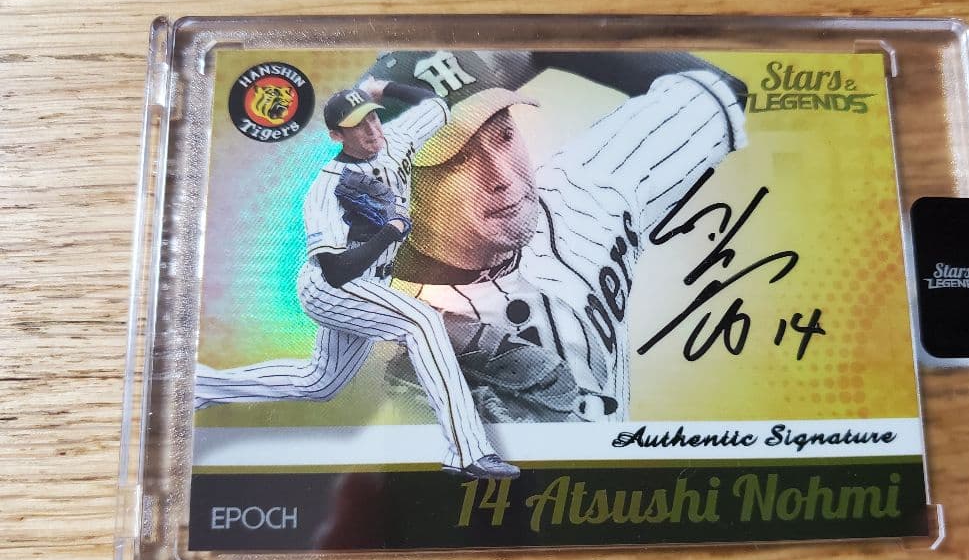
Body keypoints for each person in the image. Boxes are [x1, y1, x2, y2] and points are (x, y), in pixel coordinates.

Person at [377, 50, 749, 421]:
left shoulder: (582, 190)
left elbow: (712, 92)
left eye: (504, 134)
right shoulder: (379, 313)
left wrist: (541, 44)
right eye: (458, 158)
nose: (503, 176)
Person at [195, 77, 519, 480]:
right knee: (421, 322)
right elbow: (334, 270)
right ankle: (468, 451)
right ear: (337, 135)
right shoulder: (326, 188)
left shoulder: (395, 139)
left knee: (319, 382)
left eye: (372, 119)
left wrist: (383, 88)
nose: (370, 130)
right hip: (331, 288)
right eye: (357, 125)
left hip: (372, 286)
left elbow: (435, 104)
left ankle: (201, 386)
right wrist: (389, 232)